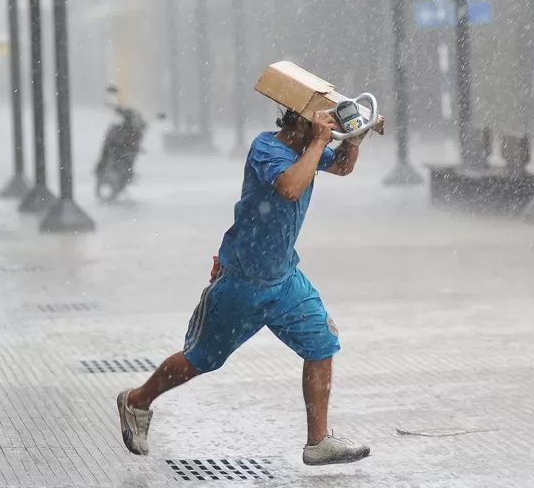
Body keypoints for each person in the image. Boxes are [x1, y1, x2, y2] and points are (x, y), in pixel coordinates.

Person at [116, 107, 372, 466]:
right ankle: (137, 401)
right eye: (318, 121)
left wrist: (355, 140)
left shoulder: (306, 150)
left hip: (284, 280)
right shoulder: (266, 149)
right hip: (242, 283)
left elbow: (342, 166)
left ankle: (318, 441)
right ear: (299, 122)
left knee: (322, 343)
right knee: (200, 360)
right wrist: (317, 142)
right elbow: (290, 187)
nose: (325, 128)